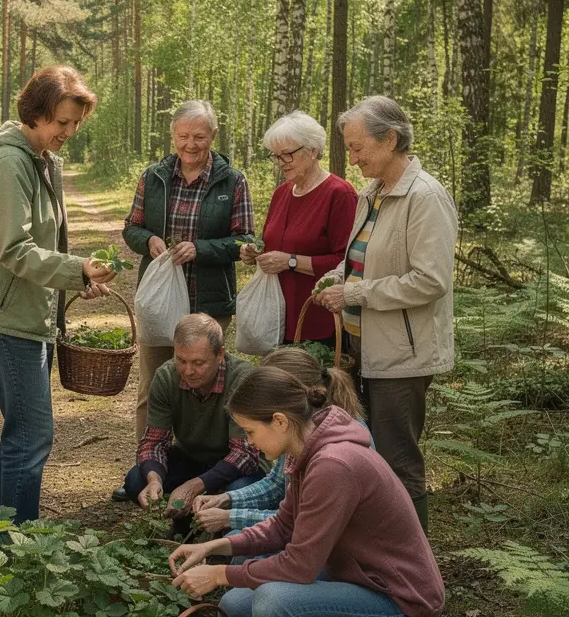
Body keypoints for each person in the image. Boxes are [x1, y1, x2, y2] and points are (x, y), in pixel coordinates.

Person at [170, 366, 444, 617]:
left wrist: (218, 577)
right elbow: (283, 527)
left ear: (280, 421)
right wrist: (213, 549)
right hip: (365, 584)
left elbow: (298, 565)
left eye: (250, 431)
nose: (249, 442)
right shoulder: (309, 448)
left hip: (403, 609)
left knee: (273, 605)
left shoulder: (333, 465)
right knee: (244, 607)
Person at [0, 66, 116, 524]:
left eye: (76, 123)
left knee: (26, 432)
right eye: (62, 122)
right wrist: (74, 270)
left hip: (26, 312)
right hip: (5, 317)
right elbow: (13, 249)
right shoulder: (9, 162)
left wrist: (78, 277)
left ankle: (8, 534)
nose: (70, 131)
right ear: (37, 112)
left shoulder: (40, 157)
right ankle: (14, 542)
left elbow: (42, 245)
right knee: (30, 434)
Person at [313, 96, 457, 531]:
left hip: (402, 354)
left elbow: (431, 281)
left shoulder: (425, 197)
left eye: (358, 147)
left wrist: (356, 293)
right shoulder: (372, 193)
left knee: (398, 461)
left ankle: (414, 573)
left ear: (391, 139)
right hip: (365, 345)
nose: (352, 158)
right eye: (349, 148)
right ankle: (379, 552)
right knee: (367, 452)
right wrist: (336, 278)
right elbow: (360, 258)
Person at [123, 99, 254, 443]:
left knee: (206, 385)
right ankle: (146, 465)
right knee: (153, 384)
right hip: (160, 303)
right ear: (173, 135)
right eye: (183, 136)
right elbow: (131, 227)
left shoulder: (233, 182)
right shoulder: (153, 177)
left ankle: (202, 464)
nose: (190, 144)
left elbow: (245, 240)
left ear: (213, 135)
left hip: (208, 302)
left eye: (199, 136)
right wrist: (148, 239)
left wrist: (201, 250)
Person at [192, 346, 367, 537]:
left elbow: (299, 522)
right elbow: (276, 485)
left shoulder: (333, 454)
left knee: (239, 547)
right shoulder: (298, 428)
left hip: (340, 549)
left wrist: (228, 517)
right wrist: (225, 499)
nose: (249, 441)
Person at [119, 314, 262, 523]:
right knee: (136, 481)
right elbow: (153, 442)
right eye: (181, 360)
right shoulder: (166, 376)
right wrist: (154, 478)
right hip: (192, 457)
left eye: (198, 362)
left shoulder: (243, 380)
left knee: (237, 491)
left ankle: (219, 528)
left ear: (220, 354)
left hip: (238, 467)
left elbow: (245, 454)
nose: (188, 371)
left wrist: (194, 485)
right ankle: (185, 519)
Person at [238, 111, 357, 344]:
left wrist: (291, 261)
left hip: (318, 320)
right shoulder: (282, 193)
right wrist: (254, 253)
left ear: (313, 151)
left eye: (288, 155)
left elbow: (349, 263)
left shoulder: (339, 194)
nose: (281, 163)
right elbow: (273, 245)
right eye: (276, 156)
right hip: (276, 318)